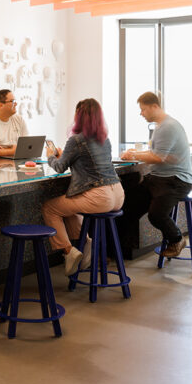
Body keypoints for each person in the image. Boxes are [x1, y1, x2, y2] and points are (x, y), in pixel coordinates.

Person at [42, 98, 125, 276]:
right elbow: (87, 161)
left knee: (50, 208)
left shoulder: (76, 140)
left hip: (99, 197)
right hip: (117, 194)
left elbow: (58, 167)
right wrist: (66, 155)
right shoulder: (105, 139)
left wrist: (51, 156)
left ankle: (68, 251)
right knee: (69, 205)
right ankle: (85, 242)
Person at [120, 91, 192, 257]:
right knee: (128, 206)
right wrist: (138, 153)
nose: (141, 113)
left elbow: (158, 157)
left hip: (176, 181)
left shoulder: (168, 127)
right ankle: (120, 250)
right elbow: (158, 153)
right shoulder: (162, 126)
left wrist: (133, 155)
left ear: (154, 106)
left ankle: (177, 239)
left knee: (156, 215)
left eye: (143, 109)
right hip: (159, 179)